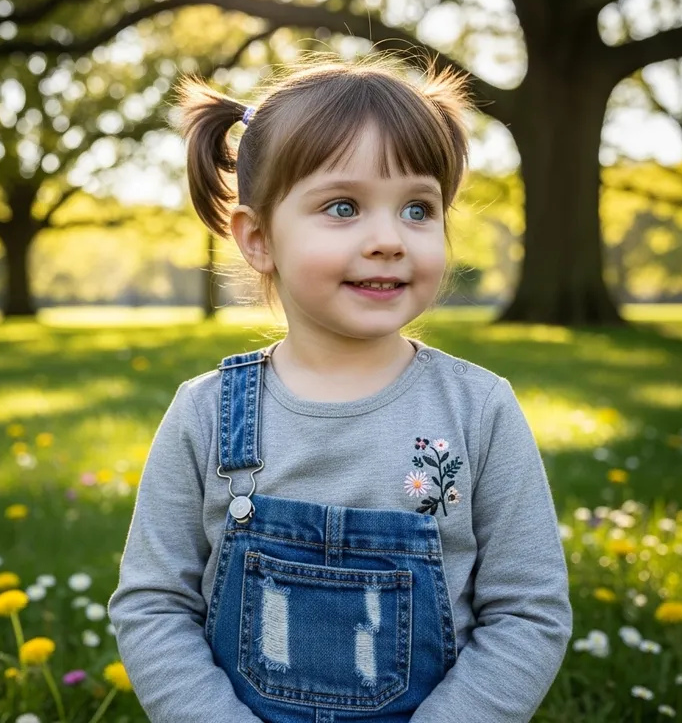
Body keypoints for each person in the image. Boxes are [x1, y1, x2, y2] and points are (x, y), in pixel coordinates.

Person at [107, 53, 572, 723]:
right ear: (259, 239)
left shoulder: (479, 409)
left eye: (418, 207)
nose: (388, 239)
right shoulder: (206, 414)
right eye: (344, 206)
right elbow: (153, 606)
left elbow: (528, 611)